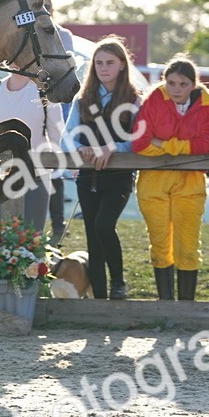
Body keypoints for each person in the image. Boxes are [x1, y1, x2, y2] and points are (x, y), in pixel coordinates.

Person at [60, 37, 142, 299]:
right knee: (92, 238)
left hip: (118, 177)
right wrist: (80, 148)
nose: (103, 68)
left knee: (104, 225)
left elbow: (139, 139)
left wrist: (113, 147)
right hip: (87, 177)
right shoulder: (83, 99)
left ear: (121, 65)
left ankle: (118, 283)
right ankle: (100, 296)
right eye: (98, 63)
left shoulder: (135, 99)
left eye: (110, 62)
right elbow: (67, 136)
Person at [132, 55, 209, 301]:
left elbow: (204, 145)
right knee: (160, 244)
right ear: (164, 81)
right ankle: (165, 305)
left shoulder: (206, 105)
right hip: (153, 183)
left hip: (190, 182)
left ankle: (186, 307)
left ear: (194, 84)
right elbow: (139, 144)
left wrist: (164, 144)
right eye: (171, 83)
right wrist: (183, 147)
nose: (176, 89)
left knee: (188, 246)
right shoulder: (154, 100)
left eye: (183, 84)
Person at [0, 65, 59, 232]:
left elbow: (57, 138)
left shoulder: (45, 92)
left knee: (32, 240)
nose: (17, 62)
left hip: (36, 178)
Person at [42, 0, 75, 237]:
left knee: (56, 160)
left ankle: (57, 222)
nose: (46, 10)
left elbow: (67, 63)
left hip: (57, 97)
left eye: (48, 7)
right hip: (34, 93)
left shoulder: (63, 34)